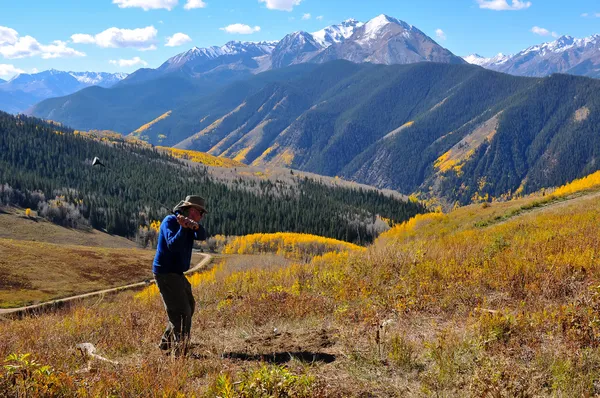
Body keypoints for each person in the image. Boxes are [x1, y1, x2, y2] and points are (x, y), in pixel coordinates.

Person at [153, 195, 208, 356]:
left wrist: (194, 227)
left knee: (189, 306)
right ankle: (180, 352)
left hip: (176, 273)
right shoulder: (170, 222)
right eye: (201, 213)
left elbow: (202, 235)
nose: (201, 217)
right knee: (182, 313)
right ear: (192, 211)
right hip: (166, 273)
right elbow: (173, 245)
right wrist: (183, 228)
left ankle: (165, 345)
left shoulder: (191, 224)